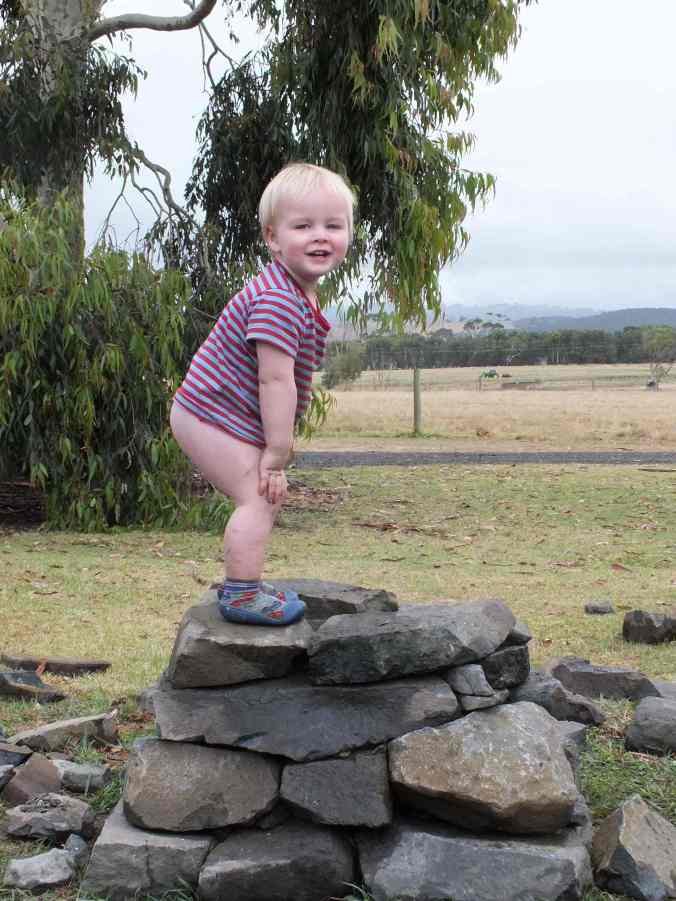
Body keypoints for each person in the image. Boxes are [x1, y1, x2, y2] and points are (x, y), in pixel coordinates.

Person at [170, 162, 355, 626]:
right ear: (273, 237)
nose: (320, 236)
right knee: (259, 497)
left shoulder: (296, 292)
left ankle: (246, 582)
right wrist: (276, 452)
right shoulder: (278, 300)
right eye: (303, 226)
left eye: (333, 225)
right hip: (206, 415)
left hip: (218, 414)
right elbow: (275, 381)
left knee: (264, 497)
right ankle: (240, 594)